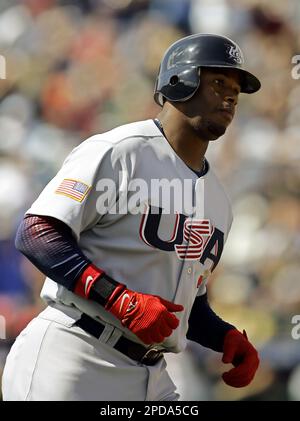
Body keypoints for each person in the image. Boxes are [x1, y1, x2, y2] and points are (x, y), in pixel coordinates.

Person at [2, 33, 260, 401]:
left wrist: (224, 336)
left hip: (153, 374)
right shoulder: (120, 151)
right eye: (219, 82)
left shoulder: (218, 199)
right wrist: (120, 299)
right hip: (75, 352)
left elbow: (186, 302)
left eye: (237, 88)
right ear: (179, 81)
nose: (231, 96)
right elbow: (37, 232)